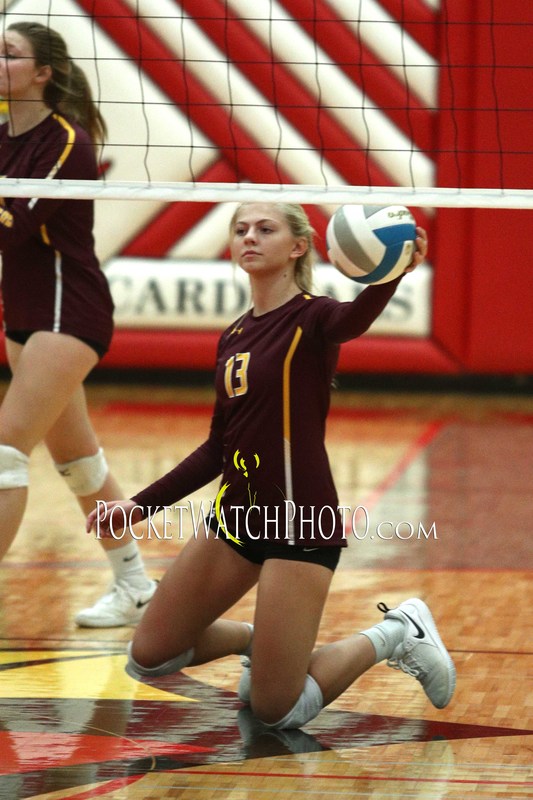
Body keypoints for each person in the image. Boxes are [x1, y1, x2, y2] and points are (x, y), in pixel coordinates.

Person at [88, 202, 456, 729]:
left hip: (300, 523)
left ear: (298, 246)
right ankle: (265, 647)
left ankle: (395, 634)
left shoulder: (315, 316)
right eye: (240, 230)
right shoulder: (234, 336)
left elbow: (355, 320)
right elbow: (218, 446)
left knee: (277, 710)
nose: (249, 238)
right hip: (235, 517)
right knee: (150, 656)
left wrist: (391, 276)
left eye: (265, 229)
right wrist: (137, 506)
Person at [0, 22, 157, 627]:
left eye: (10, 55)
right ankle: (136, 583)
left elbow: (13, 226)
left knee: (6, 456)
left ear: (43, 73)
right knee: (80, 463)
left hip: (70, 314)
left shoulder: (68, 141)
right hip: (26, 317)